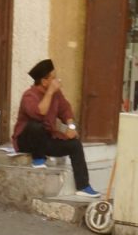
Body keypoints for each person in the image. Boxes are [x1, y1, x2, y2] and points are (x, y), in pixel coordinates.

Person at [12, 59, 98, 197]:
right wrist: (50, 92)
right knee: (36, 125)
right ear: (44, 81)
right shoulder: (29, 95)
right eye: (53, 78)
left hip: (45, 139)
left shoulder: (57, 94)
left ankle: (83, 186)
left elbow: (66, 110)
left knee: (75, 144)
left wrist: (70, 127)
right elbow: (39, 113)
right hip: (27, 141)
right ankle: (38, 159)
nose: (57, 81)